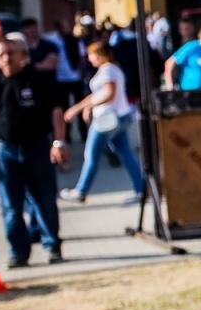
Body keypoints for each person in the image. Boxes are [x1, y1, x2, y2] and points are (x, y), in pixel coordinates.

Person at [0, 33, 67, 267]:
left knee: (44, 200)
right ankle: (18, 252)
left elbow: (56, 112)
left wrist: (59, 142)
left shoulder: (38, 80)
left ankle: (52, 244)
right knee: (11, 206)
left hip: (37, 148)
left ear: (22, 55)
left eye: (11, 53)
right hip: (6, 152)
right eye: (1, 55)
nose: (6, 58)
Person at [59, 42, 145, 205]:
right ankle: (141, 189)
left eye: (91, 55)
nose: (89, 59)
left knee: (91, 154)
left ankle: (81, 190)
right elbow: (96, 95)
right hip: (118, 116)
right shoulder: (112, 69)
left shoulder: (108, 70)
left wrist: (89, 107)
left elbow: (108, 94)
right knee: (126, 154)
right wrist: (79, 108)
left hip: (107, 119)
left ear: (99, 54)